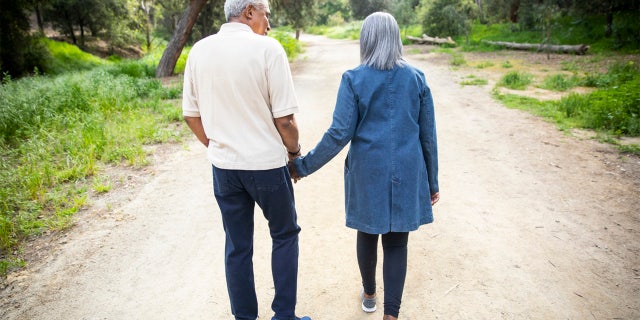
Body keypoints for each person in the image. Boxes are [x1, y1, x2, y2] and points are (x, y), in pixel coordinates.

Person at [289, 12, 439, 320]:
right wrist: (432, 182)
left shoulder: (354, 79)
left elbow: (338, 134)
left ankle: (370, 294)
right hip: (408, 171)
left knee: (368, 233)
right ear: (396, 39)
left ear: (366, 40)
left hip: (367, 171)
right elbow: (428, 137)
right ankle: (391, 315)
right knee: (398, 242)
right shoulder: (417, 78)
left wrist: (302, 166)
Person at [181, 1, 310, 319]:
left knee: (237, 246)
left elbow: (190, 115)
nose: (268, 23)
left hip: (225, 168)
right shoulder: (268, 50)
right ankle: (284, 315)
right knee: (284, 234)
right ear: (250, 11)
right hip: (266, 165)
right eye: (266, 15)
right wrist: (294, 154)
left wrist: (217, 145)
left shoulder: (199, 50)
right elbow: (285, 121)